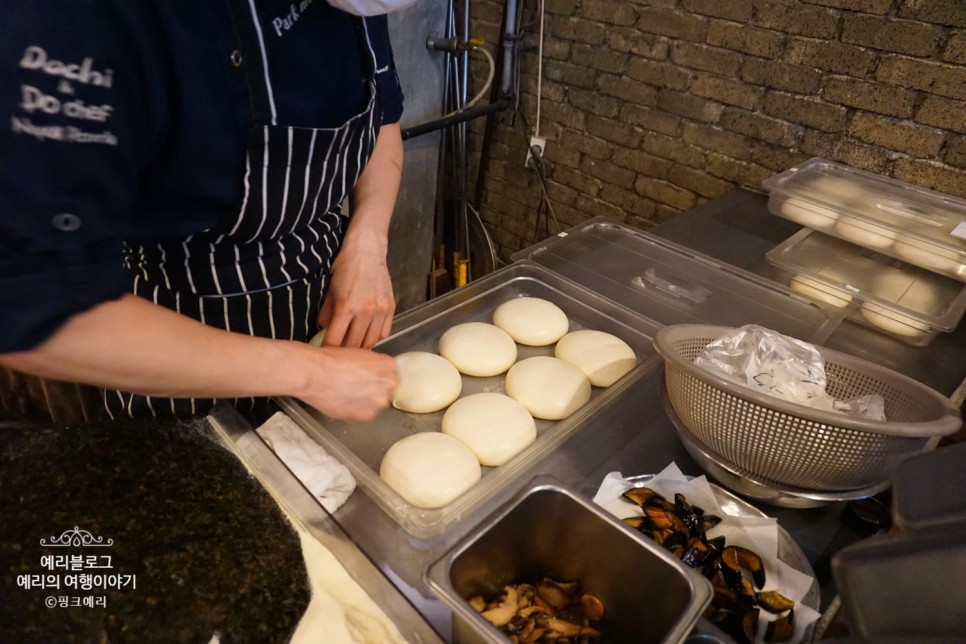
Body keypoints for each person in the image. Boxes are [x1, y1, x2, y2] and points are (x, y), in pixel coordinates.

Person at [0, 1, 406, 422]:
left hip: (328, 291)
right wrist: (310, 374)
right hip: (173, 340)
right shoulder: (82, 19)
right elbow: (32, 304)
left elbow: (382, 117)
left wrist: (368, 245)